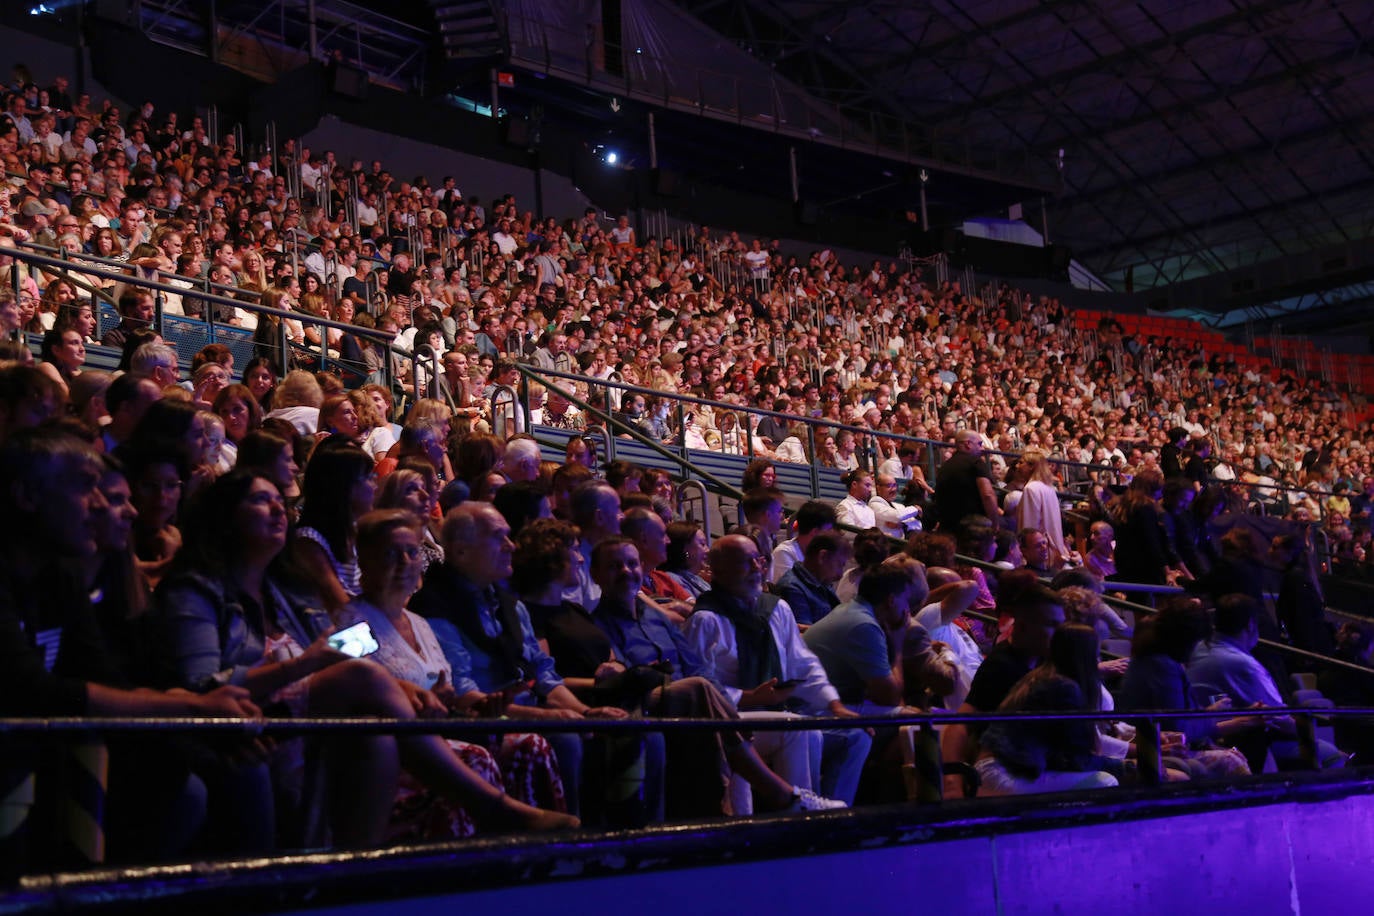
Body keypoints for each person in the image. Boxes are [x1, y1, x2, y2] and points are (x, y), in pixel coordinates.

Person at [156, 471, 576, 848]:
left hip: (308, 717)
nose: (278, 509)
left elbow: (352, 649)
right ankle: (493, 808)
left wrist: (415, 689)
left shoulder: (289, 593)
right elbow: (202, 690)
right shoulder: (197, 590)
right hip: (248, 719)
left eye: (278, 500)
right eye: (258, 500)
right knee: (391, 703)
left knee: (377, 735)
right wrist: (308, 664)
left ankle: (361, 876)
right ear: (225, 517)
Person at [0, 428, 260, 869]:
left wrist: (203, 713)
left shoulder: (57, 577)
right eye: (85, 488)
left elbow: (103, 678)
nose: (101, 505)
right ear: (26, 495)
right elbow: (33, 693)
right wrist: (194, 710)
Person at [337, 510, 571, 834]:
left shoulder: (418, 624)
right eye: (391, 553)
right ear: (364, 560)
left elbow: (447, 696)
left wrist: (475, 706)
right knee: (477, 757)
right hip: (392, 754)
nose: (405, 562)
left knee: (530, 746)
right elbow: (343, 679)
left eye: (412, 552)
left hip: (442, 733)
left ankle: (547, 855)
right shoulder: (357, 624)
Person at [590, 537, 847, 817]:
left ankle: (802, 822)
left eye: (631, 564)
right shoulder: (598, 625)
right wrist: (741, 703)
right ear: (596, 575)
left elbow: (697, 666)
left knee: (800, 730)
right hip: (663, 712)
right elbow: (626, 682)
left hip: (712, 712)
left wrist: (832, 703)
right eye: (615, 566)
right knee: (708, 699)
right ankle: (749, 823)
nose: (626, 572)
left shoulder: (658, 619)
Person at [409, 502, 631, 817]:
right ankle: (570, 842)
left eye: (509, 537)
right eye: (498, 537)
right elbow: (462, 692)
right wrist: (547, 717)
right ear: (460, 552)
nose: (511, 546)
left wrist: (586, 711)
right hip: (477, 720)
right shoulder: (430, 609)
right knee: (565, 740)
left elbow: (543, 674)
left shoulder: (509, 605)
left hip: (522, 709)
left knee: (631, 732)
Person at [685, 534, 867, 807]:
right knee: (799, 729)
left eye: (758, 560)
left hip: (778, 712)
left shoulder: (776, 608)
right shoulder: (705, 620)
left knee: (856, 735)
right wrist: (751, 697)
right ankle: (801, 812)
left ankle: (834, 814)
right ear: (719, 570)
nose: (757, 569)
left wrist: (834, 704)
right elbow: (699, 684)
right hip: (729, 720)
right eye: (745, 563)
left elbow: (802, 662)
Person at [939, 572, 1065, 796]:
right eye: (1052, 625)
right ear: (1023, 626)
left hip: (1032, 765)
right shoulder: (1002, 665)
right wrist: (953, 782)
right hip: (1005, 771)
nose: (1059, 634)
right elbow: (960, 724)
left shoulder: (1045, 661)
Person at [1187, 593, 1346, 770]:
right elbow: (1280, 719)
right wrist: (1309, 733)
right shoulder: (1242, 664)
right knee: (1330, 754)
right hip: (1235, 739)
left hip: (1207, 731)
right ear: (1250, 625)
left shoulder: (1198, 648)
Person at [1015, 448, 1077, 567]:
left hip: (1039, 552)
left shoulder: (1031, 489)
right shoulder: (1048, 487)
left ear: (1031, 466)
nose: (1017, 466)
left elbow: (1029, 526)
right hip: (1052, 548)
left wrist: (1024, 551)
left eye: (1021, 462)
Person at [774, 530, 848, 627]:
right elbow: (805, 637)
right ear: (823, 556)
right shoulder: (793, 589)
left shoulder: (822, 581)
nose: (840, 574)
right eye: (839, 564)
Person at [933, 429, 999, 531]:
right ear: (968, 444)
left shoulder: (945, 466)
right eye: (979, 444)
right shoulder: (976, 462)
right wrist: (995, 525)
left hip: (947, 528)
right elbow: (988, 495)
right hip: (972, 529)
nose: (982, 448)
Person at [771, 499, 836, 583]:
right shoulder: (784, 553)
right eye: (828, 530)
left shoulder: (820, 555)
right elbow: (791, 590)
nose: (831, 535)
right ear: (815, 532)